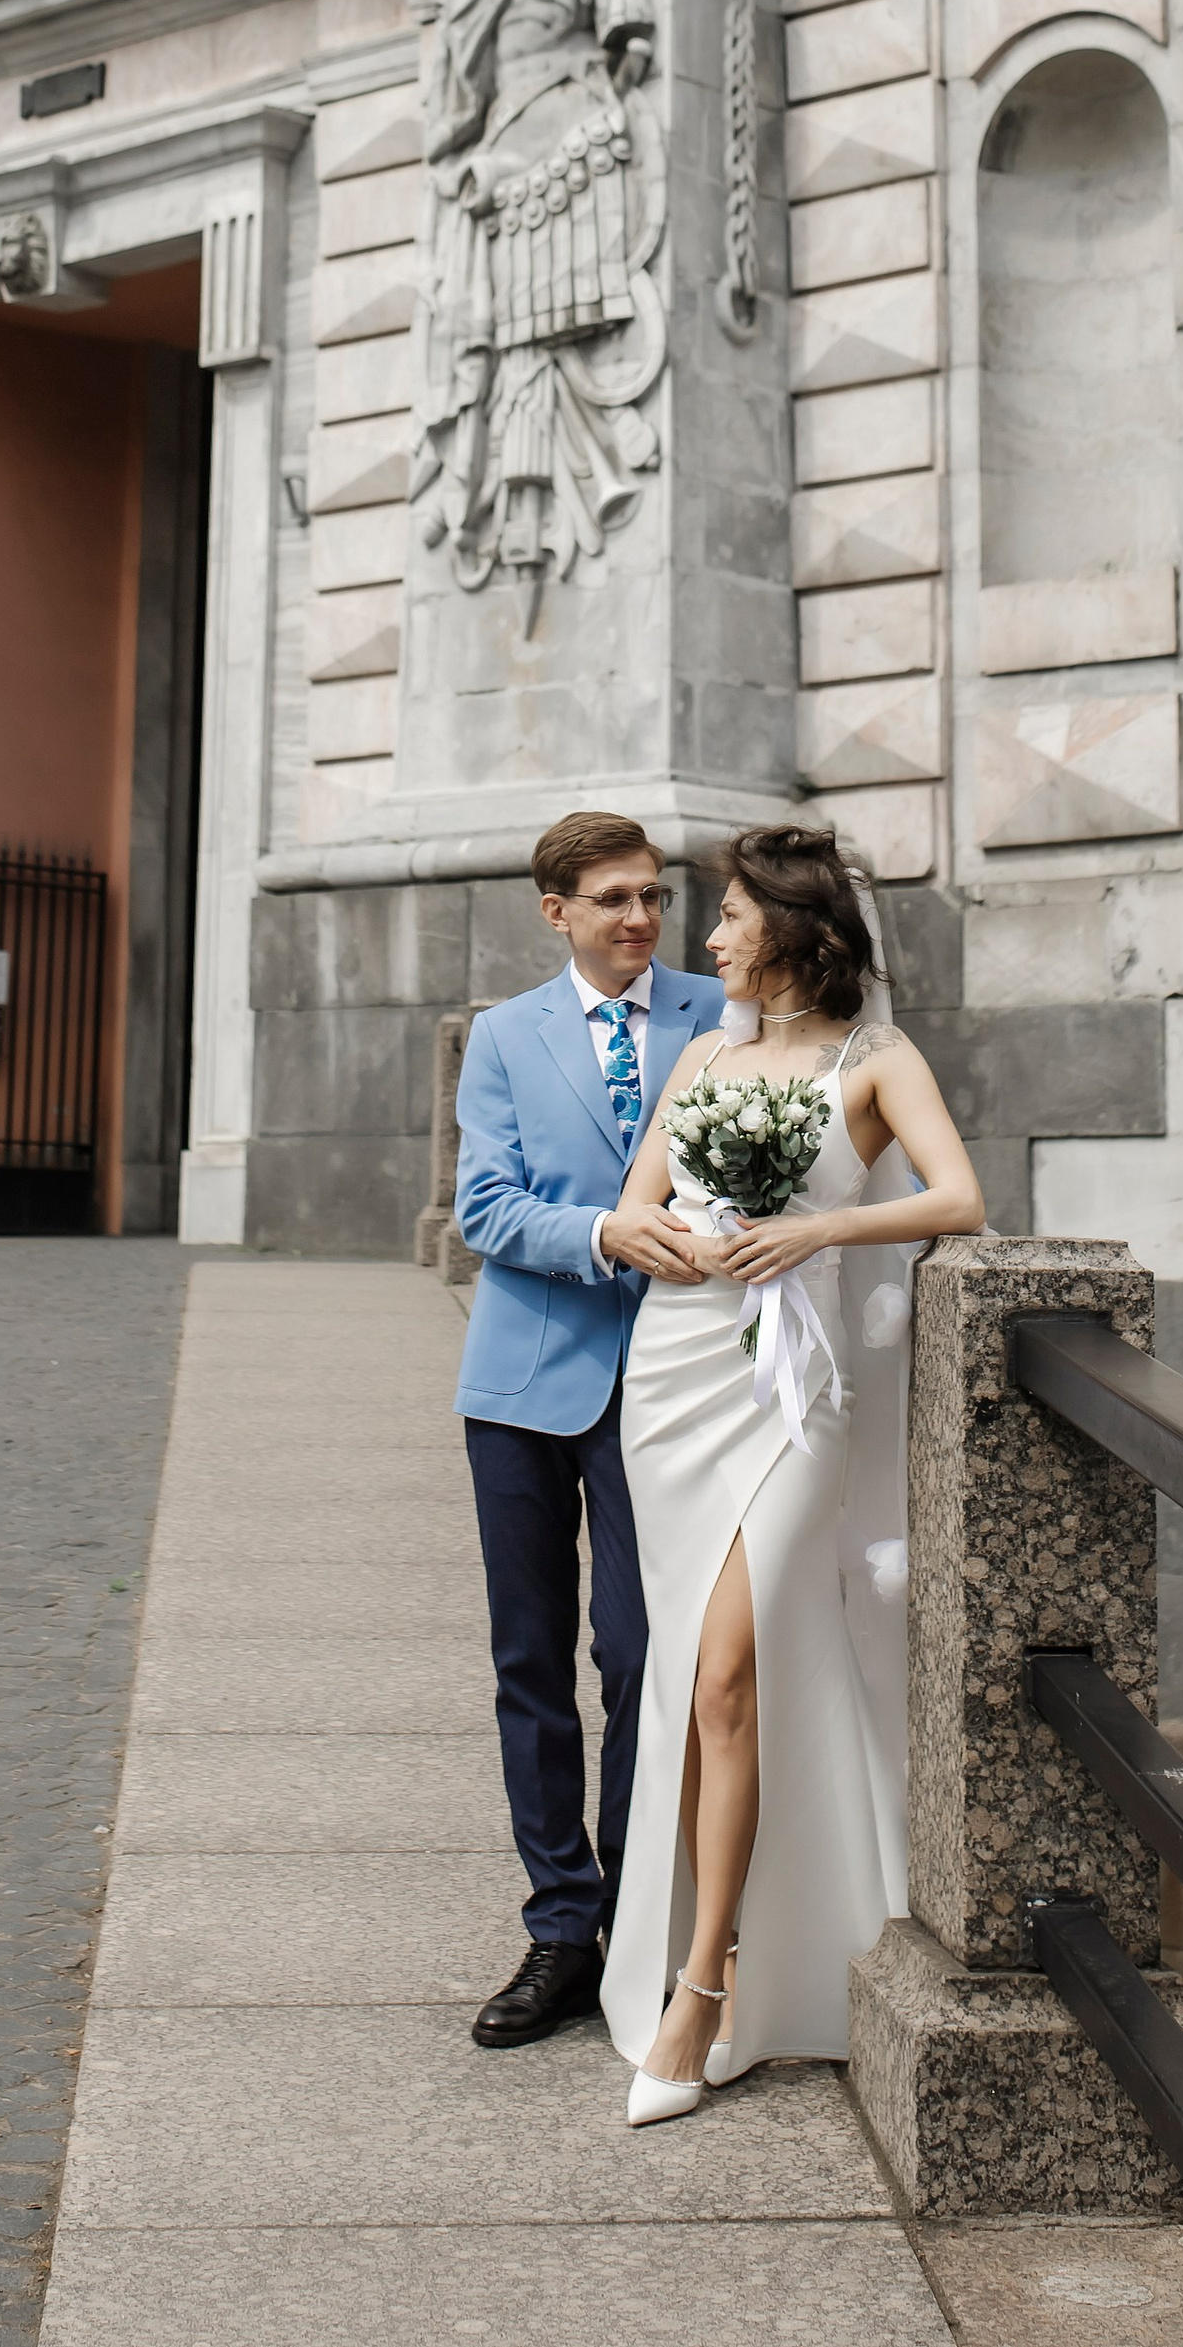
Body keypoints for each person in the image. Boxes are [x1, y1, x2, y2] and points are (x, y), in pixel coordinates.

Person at [599, 822, 985, 2123]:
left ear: (793, 924)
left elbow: (957, 1198)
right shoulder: (704, 1055)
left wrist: (822, 1228)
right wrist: (664, 1237)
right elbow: (638, 1201)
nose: (707, 936)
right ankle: (704, 1960)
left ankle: (704, 1987)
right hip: (674, 1377)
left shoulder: (877, 1058)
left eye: (728, 914)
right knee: (697, 1685)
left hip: (792, 1387)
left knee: (728, 1667)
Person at [451, 812, 725, 2048]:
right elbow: (484, 1207)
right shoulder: (507, 1035)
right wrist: (604, 1231)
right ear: (555, 911)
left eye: (653, 896)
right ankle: (561, 1929)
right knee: (532, 1660)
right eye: (613, 898)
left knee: (637, 1650)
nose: (639, 918)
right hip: (520, 1387)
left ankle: (634, 1913)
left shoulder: (718, 1018)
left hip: (667, 1386)